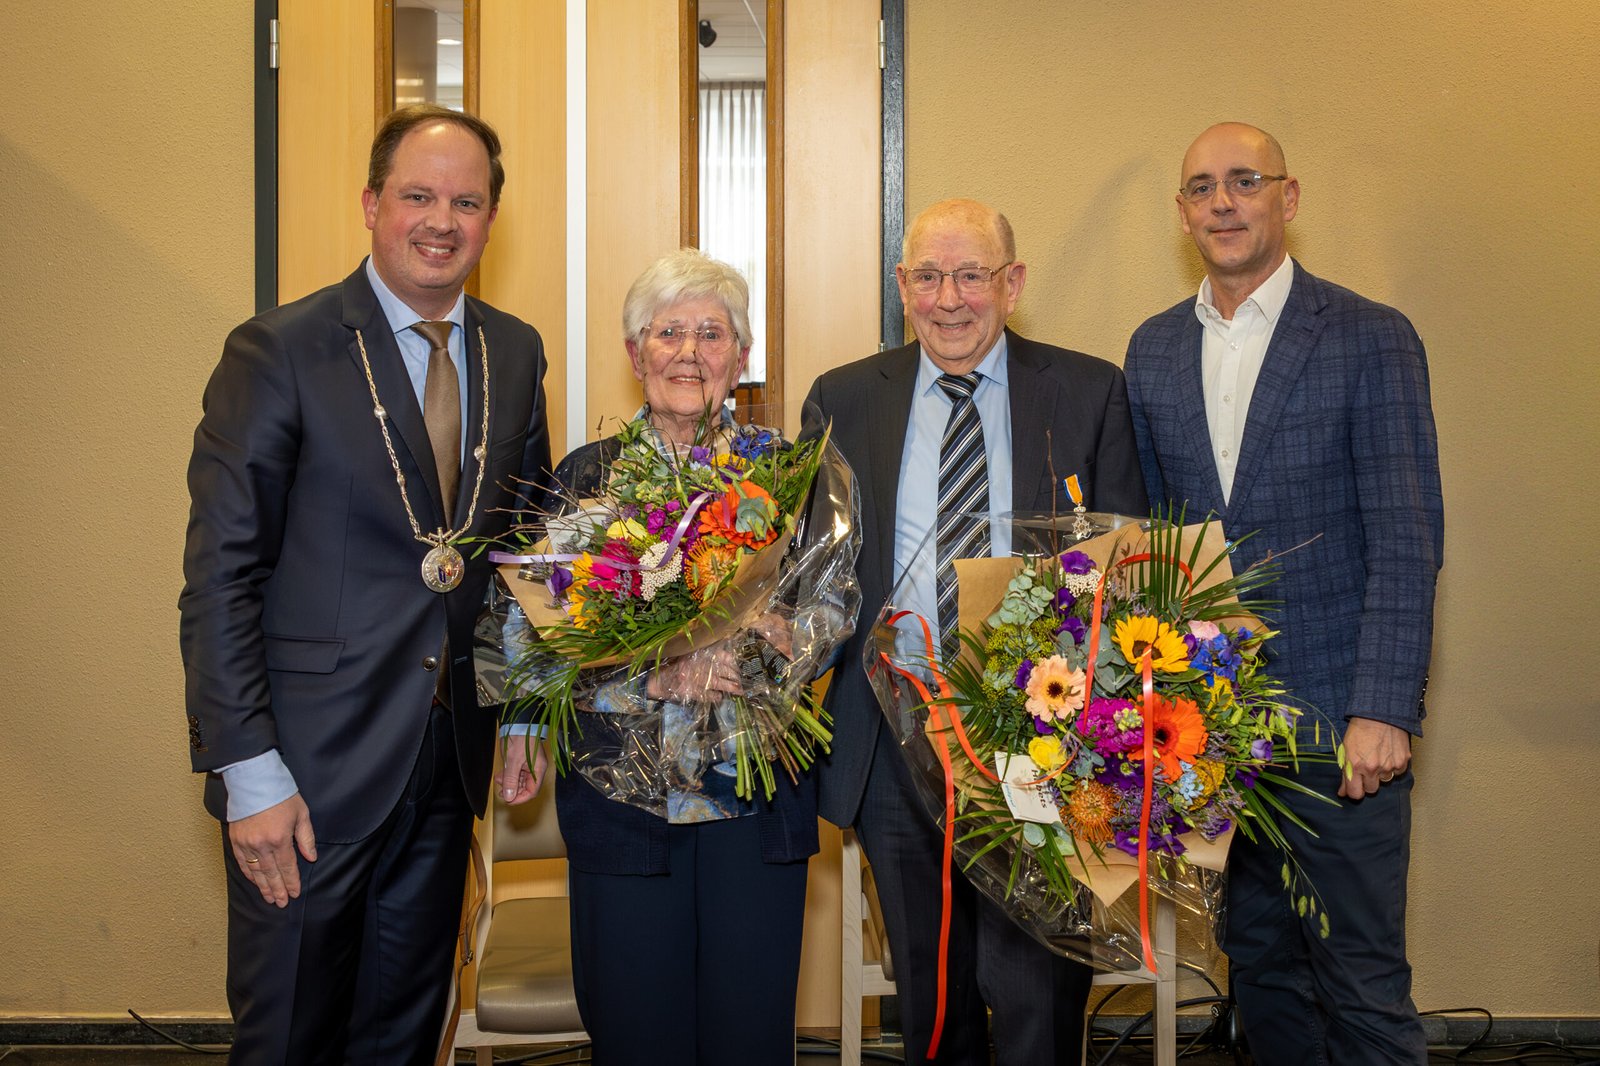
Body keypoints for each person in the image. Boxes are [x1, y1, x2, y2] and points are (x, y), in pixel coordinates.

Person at [179, 104, 552, 1065]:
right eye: (418, 195)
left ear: (491, 219)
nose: (442, 220)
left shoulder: (513, 351)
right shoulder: (278, 350)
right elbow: (221, 576)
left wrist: (519, 711)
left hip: (444, 763)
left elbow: (522, 550)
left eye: (466, 201)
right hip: (306, 776)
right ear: (371, 204)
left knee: (401, 1034)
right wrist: (249, 774)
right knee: (292, 1035)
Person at [1124, 122, 1444, 1064]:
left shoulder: (1372, 337)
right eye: (1201, 188)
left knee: (1362, 987)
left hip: (1339, 730)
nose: (1223, 201)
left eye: (1244, 180)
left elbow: (1407, 536)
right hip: (1215, 738)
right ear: (1183, 213)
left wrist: (1383, 708)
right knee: (1257, 973)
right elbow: (1153, 543)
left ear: (1288, 198)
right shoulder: (1150, 350)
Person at [803, 198, 1148, 1064]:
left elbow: (1131, 564)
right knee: (930, 997)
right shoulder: (842, 398)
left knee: (1040, 995)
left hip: (1044, 739)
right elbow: (814, 572)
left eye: (970, 275)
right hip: (893, 735)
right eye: (927, 276)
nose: (948, 298)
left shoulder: (1089, 391)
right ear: (901, 286)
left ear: (1013, 283)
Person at [497, 248, 841, 1066]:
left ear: (742, 356)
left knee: (749, 1037)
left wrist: (766, 649)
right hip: (624, 805)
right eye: (669, 332)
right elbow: (530, 631)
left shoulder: (788, 476)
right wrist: (646, 674)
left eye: (712, 334)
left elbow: (833, 604)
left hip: (754, 793)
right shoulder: (585, 480)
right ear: (634, 353)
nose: (690, 352)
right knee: (636, 1034)